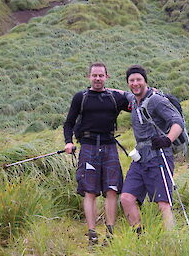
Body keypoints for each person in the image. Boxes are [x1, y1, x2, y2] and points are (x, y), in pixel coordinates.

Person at [63, 62, 129, 245]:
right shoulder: (80, 98)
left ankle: (110, 233)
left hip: (109, 146)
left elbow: (136, 101)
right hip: (88, 147)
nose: (97, 79)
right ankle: (92, 234)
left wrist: (152, 92)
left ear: (107, 77)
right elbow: (68, 123)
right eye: (94, 75)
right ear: (89, 77)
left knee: (112, 190)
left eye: (101, 75)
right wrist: (68, 142)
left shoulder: (115, 98)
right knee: (89, 191)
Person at [120, 65, 184, 231]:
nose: (135, 83)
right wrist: (100, 87)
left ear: (145, 81)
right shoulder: (133, 100)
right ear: (128, 83)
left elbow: (178, 122)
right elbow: (122, 93)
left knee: (163, 204)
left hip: (159, 155)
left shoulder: (156, 100)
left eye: (138, 80)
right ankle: (140, 237)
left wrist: (167, 139)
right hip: (139, 158)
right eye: (131, 80)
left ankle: (173, 244)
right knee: (126, 198)